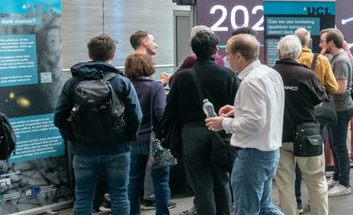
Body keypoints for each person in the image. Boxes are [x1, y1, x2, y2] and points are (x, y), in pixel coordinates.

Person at [55, 35, 142, 215]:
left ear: (89, 53)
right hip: (118, 148)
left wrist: (71, 138)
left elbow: (59, 117)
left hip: (84, 149)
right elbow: (136, 116)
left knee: (83, 196)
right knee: (119, 194)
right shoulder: (121, 82)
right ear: (113, 55)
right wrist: (129, 137)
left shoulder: (73, 83)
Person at [204, 34, 286, 215]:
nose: (226, 58)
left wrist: (224, 123)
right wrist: (239, 109)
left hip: (252, 155)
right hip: (270, 152)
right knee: (264, 207)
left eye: (229, 54)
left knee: (247, 210)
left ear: (239, 56)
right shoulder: (270, 73)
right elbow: (269, 107)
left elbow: (255, 121)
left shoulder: (251, 81)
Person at [158, 30, 238, 215]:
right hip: (221, 132)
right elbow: (237, 107)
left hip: (192, 133)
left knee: (201, 186)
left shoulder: (181, 77)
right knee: (222, 180)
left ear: (194, 51)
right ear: (215, 50)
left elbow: (171, 110)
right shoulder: (228, 75)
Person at [271, 35, 330, 215]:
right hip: (308, 135)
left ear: (279, 52)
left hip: (279, 135)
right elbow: (320, 102)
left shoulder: (271, 74)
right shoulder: (307, 74)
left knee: (285, 184)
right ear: (298, 53)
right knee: (316, 181)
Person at [123, 53, 170, 215]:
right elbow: (160, 112)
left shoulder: (125, 86)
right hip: (154, 140)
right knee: (160, 181)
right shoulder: (155, 87)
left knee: (133, 182)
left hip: (132, 141)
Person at [321, 28, 353, 194]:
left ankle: (344, 183)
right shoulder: (336, 58)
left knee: (340, 146)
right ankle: (337, 177)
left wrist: (322, 87)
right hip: (336, 108)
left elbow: (341, 88)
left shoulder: (341, 60)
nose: (320, 44)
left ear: (331, 42)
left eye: (323, 41)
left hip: (342, 109)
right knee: (336, 145)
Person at [294, 28, 339, 95]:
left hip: (294, 103)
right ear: (310, 42)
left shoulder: (289, 59)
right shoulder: (322, 60)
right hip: (317, 103)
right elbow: (334, 88)